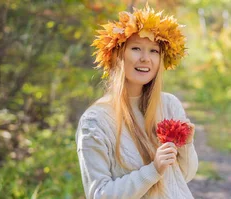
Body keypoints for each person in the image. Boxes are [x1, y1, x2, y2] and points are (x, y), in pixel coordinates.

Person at [76, 5, 198, 199]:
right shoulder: (95, 121)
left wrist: (186, 145)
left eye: (154, 51)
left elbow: (184, 176)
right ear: (117, 55)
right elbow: (99, 194)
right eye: (135, 48)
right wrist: (153, 170)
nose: (145, 59)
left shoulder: (169, 105)